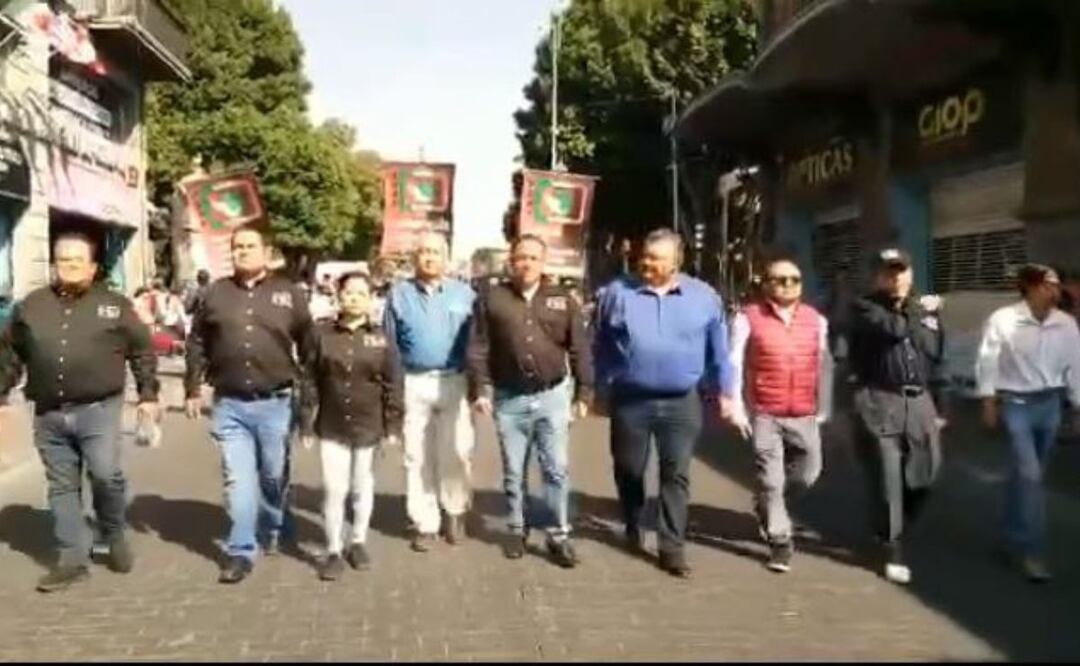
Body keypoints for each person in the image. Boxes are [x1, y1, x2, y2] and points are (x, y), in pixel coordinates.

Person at [0, 232, 159, 592]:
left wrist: (149, 394)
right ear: (54, 265)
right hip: (48, 413)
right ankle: (73, 558)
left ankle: (113, 531)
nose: (69, 266)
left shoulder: (115, 306)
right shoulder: (31, 306)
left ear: (92, 267)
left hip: (99, 408)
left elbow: (142, 351)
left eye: (77, 260)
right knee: (61, 486)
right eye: (62, 259)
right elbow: (9, 354)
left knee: (105, 474)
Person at [592, 228, 735, 578]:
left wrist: (726, 392)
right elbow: (601, 343)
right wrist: (598, 387)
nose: (647, 263)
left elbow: (719, 351)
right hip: (630, 401)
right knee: (629, 469)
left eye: (656, 258)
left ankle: (672, 547)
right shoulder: (617, 293)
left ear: (676, 262)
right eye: (645, 256)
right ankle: (632, 519)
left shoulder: (703, 297)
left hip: (681, 402)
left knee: (677, 474)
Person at [184, 225, 313, 584]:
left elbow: (309, 343)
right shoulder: (214, 294)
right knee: (238, 479)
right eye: (236, 247)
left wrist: (310, 393)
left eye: (249, 246)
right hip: (230, 405)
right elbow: (196, 342)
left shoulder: (288, 293)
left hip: (277, 403)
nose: (242, 252)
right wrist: (193, 386)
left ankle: (274, 520)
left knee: (273, 475)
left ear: (266, 251)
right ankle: (241, 549)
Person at [467, 235, 593, 568]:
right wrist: (481, 389)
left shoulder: (562, 300)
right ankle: (517, 529)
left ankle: (559, 535)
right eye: (521, 257)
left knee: (556, 469)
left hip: (552, 397)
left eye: (534, 258)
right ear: (512, 260)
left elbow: (579, 349)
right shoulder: (492, 299)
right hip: (510, 400)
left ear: (544, 261)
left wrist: (584, 393)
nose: (527, 264)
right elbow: (479, 348)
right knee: (513, 471)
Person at [974, 263, 1080, 583]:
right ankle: (1032, 552)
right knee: (1030, 477)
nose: (1057, 290)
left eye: (1057, 284)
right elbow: (987, 360)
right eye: (1050, 284)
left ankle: (1010, 536)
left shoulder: (1066, 324)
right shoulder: (1004, 320)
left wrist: (1078, 407)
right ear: (1031, 287)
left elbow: (1076, 367)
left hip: (1050, 405)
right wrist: (988, 401)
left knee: (1024, 477)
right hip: (1016, 404)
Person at [728, 252, 833, 573]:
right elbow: (732, 362)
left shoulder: (816, 319)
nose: (788, 285)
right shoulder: (748, 317)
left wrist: (824, 406)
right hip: (765, 412)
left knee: (808, 473)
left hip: (804, 412)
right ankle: (779, 541)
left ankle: (768, 504)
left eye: (794, 280)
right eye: (780, 279)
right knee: (771, 480)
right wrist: (734, 405)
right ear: (766, 284)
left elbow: (824, 364)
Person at [849, 247, 945, 586]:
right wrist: (918, 308)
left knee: (926, 473)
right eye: (889, 272)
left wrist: (941, 405)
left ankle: (892, 523)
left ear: (911, 273)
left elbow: (934, 353)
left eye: (901, 271)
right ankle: (891, 546)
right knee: (889, 477)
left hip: (919, 401)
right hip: (879, 398)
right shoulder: (865, 307)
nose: (896, 278)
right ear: (877, 276)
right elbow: (894, 329)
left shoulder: (923, 310)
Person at [300, 272, 404, 581]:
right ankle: (333, 548)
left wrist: (393, 425)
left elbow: (393, 384)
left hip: (368, 426)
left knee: (362, 487)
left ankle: (357, 541)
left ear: (372, 299)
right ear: (338, 297)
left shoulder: (382, 339)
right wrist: (305, 422)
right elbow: (308, 380)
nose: (354, 298)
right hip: (331, 425)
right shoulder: (321, 335)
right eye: (349, 293)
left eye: (361, 293)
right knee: (334, 490)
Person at [384, 231, 477, 552]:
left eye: (435, 252)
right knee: (416, 455)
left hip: (454, 380)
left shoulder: (465, 295)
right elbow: (390, 345)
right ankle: (425, 522)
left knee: (456, 451)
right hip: (414, 381)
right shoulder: (398, 295)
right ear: (414, 258)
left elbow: (476, 343)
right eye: (423, 252)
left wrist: (479, 387)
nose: (429, 257)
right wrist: (392, 392)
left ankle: (454, 512)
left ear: (446, 257)